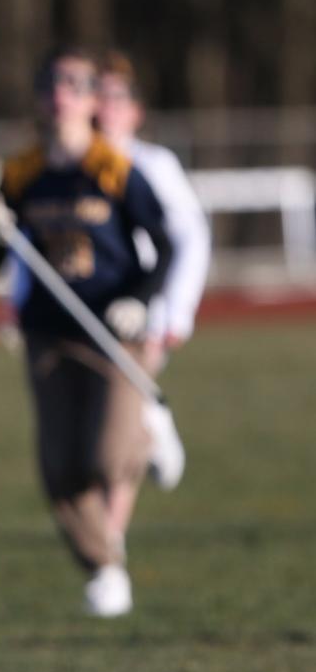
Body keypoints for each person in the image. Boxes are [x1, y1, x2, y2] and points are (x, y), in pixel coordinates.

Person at [0, 46, 173, 617]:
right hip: (49, 334)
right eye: (52, 82)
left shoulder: (113, 167)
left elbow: (163, 246)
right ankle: (105, 565)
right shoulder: (22, 172)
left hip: (113, 332)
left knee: (108, 455)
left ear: (93, 99)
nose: (59, 90)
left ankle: (147, 431)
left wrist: (140, 301)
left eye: (74, 82)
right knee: (60, 468)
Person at [96, 49, 210, 516]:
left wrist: (175, 311)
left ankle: (111, 539)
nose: (107, 108)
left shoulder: (154, 164)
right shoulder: (73, 164)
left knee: (116, 428)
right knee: (105, 424)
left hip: (142, 313)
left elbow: (190, 239)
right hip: (86, 310)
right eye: (99, 97)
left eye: (118, 99)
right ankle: (153, 416)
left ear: (136, 112)